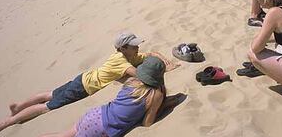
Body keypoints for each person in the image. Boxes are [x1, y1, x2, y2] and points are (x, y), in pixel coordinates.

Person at [0, 32, 178, 133]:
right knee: (48, 105)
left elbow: (151, 53)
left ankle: (19, 106)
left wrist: (166, 62)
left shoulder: (128, 55)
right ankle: (7, 123)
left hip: (83, 78)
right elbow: (140, 76)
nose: (138, 47)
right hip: (84, 87)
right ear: (123, 48)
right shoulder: (120, 61)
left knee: (50, 94)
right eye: (134, 46)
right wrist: (159, 73)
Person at [40, 57, 181, 137]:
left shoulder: (131, 81)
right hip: (103, 128)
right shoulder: (156, 94)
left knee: (62, 135)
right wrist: (164, 106)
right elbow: (147, 123)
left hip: (96, 114)